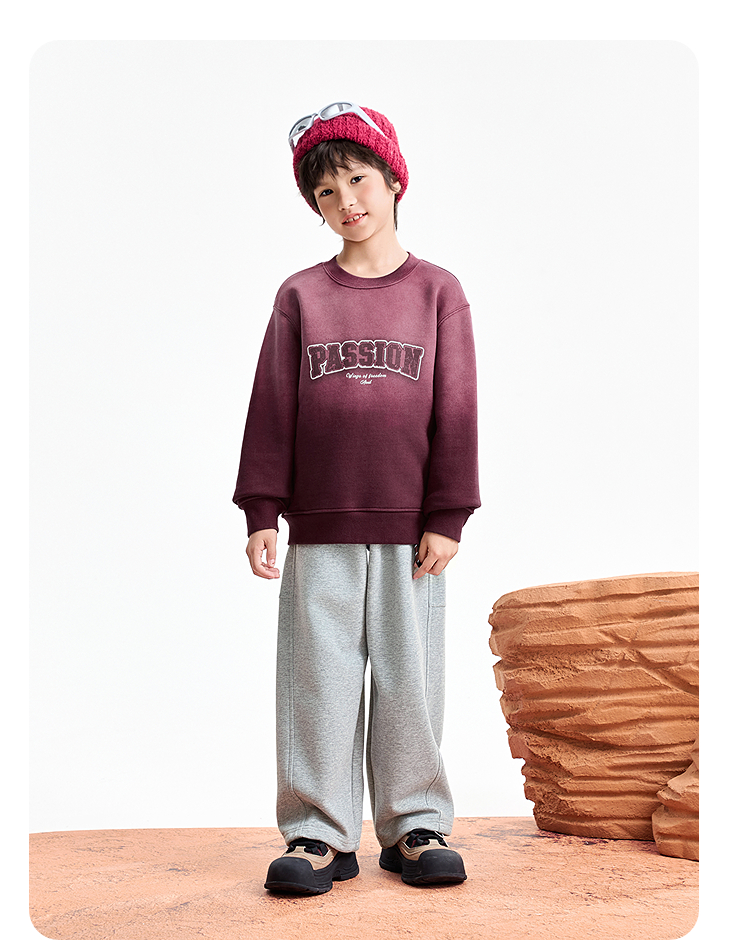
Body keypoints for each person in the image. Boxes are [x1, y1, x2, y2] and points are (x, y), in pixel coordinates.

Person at [232, 101, 480, 895]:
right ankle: (318, 834)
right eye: (326, 192)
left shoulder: (438, 291)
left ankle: (414, 826)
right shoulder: (301, 296)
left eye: (359, 180)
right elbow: (273, 406)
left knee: (411, 682)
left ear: (393, 180)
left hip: (413, 535)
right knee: (318, 682)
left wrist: (448, 514)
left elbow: (457, 408)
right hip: (320, 527)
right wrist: (261, 509)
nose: (347, 201)